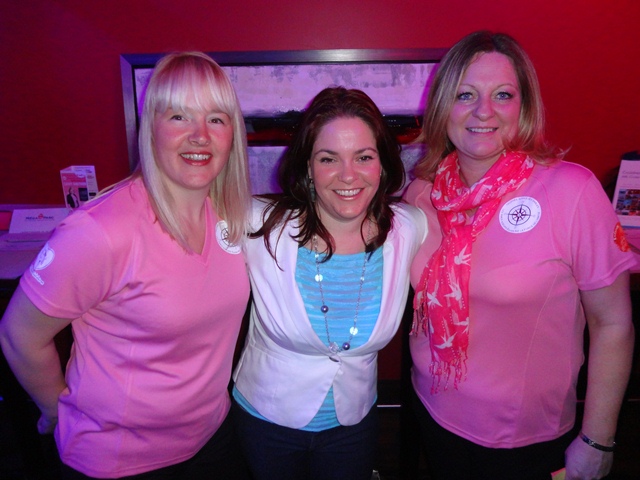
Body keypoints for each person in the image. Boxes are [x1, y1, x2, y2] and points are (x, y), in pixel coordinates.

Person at [0, 52, 252, 479]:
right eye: (178, 116)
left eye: (216, 119)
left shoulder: (232, 216)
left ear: (233, 134)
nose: (200, 135)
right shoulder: (100, 231)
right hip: (119, 459)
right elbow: (18, 334)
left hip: (212, 438)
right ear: (151, 126)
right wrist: (55, 409)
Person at [404, 31, 636, 480]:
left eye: (502, 95)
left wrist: (598, 440)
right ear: (441, 106)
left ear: (524, 107)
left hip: (524, 438)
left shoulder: (572, 191)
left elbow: (613, 324)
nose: (483, 110)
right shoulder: (421, 193)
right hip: (431, 409)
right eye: (465, 94)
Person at [232, 86, 427, 480]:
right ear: (307, 166)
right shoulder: (256, 224)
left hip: (353, 425)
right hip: (265, 422)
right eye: (328, 158)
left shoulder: (410, 228)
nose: (348, 175)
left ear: (382, 164)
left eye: (364, 157)